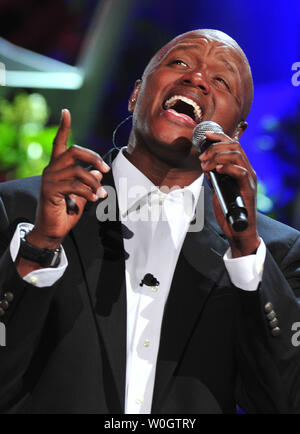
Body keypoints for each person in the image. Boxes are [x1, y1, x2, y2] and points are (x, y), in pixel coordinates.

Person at [0, 28, 300, 414]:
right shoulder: (21, 209)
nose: (196, 79)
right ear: (136, 94)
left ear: (236, 133)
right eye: (179, 63)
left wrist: (245, 252)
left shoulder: (275, 253)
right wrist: (40, 245)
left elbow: (284, 400)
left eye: (221, 80)